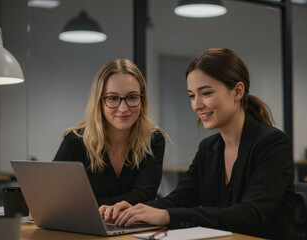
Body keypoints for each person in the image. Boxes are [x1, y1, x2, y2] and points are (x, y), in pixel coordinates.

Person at [99, 48, 296, 239]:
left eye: (206, 93)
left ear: (237, 91)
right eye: (192, 96)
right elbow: (179, 200)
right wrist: (134, 211)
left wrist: (168, 216)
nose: (196, 105)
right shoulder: (208, 149)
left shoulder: (272, 144)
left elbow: (250, 215)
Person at [54, 59, 167, 207]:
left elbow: (144, 196)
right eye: (113, 98)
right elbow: (56, 197)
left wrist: (90, 205)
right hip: (81, 227)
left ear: (142, 99)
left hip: (135, 227)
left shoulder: (153, 140)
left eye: (132, 97)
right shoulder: (75, 141)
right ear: (99, 102)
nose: (123, 108)